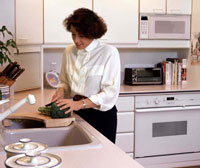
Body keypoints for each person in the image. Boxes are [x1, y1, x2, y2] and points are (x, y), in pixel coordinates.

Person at [51, 8, 121, 143]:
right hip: (75, 112)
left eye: (81, 35)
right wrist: (61, 90)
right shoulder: (68, 51)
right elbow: (64, 81)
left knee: (102, 159)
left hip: (101, 116)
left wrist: (79, 104)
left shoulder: (109, 53)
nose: (76, 40)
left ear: (92, 33)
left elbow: (109, 93)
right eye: (73, 35)